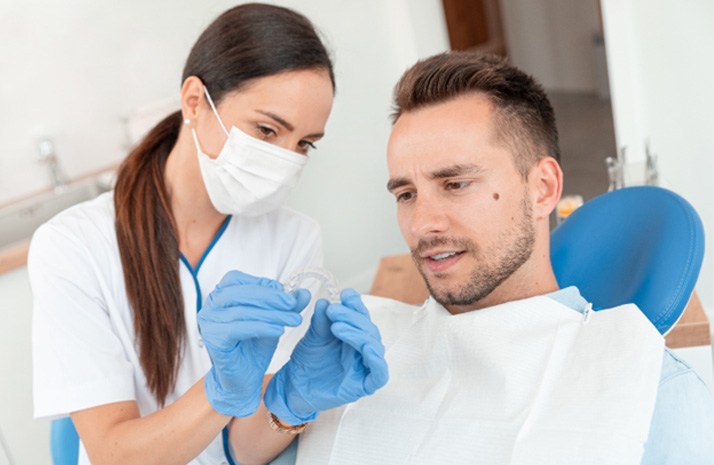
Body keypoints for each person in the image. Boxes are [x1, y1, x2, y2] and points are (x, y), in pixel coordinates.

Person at [261, 51, 714, 464]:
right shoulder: (357, 362)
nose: (421, 224)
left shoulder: (651, 398)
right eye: (406, 193)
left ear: (542, 189)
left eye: (456, 184)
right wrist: (285, 402)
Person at [29, 4, 387, 465]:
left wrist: (294, 400)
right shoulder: (74, 247)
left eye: (304, 143)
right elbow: (113, 454)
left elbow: (244, 448)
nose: (286, 159)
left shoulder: (294, 239)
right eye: (266, 129)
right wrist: (219, 392)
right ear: (195, 101)